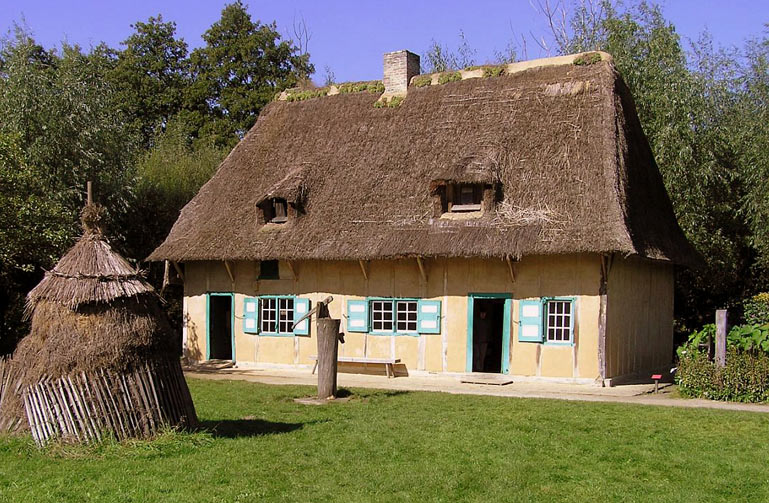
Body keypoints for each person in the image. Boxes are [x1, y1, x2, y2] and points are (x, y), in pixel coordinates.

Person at [473, 307, 493, 371]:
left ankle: (481, 368)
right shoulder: (476, 321)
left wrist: (489, 340)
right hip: (476, 341)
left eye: (484, 314)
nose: (483, 315)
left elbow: (489, 332)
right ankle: (476, 368)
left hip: (484, 342)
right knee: (477, 355)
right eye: (482, 313)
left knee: (482, 356)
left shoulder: (487, 322)